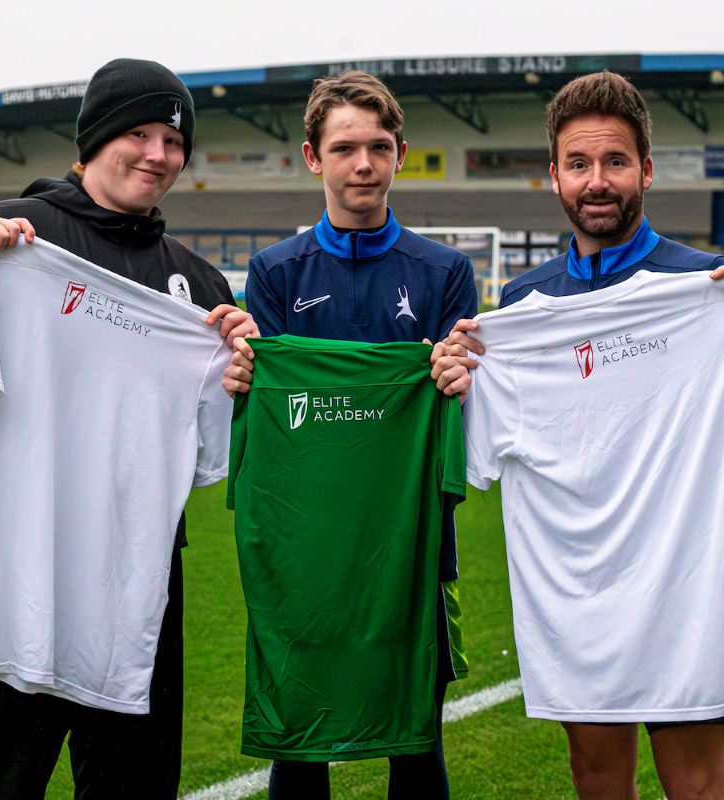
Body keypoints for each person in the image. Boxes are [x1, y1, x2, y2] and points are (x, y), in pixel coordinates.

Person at [0, 58, 256, 799]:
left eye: (174, 142)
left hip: (137, 567)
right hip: (19, 552)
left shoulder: (198, 287)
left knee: (134, 781)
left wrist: (239, 374)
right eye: (137, 133)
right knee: (3, 780)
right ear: (95, 137)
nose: (157, 155)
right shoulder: (18, 237)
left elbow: (225, 439)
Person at [440, 70, 724, 800]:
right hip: (573, 589)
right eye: (578, 164)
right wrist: (455, 382)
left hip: (681, 584)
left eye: (614, 162)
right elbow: (473, 446)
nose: (597, 181)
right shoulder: (522, 306)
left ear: (645, 169)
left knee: (697, 784)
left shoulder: (708, 285)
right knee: (596, 777)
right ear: (554, 177)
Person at [223, 70, 476, 800]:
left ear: (400, 153)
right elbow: (263, 411)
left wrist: (462, 378)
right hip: (306, 547)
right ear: (313, 157)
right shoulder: (273, 273)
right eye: (343, 149)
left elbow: (467, 410)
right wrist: (244, 378)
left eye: (377, 146)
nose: (361, 164)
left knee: (414, 733)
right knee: (301, 739)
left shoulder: (446, 272)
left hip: (411, 541)